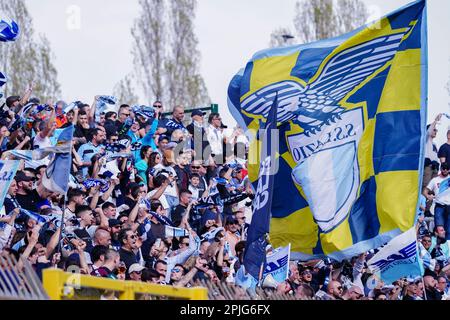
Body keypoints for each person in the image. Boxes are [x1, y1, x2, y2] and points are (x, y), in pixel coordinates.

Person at [424, 162, 450, 240]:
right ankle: (439, 246)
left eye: (447, 169)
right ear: (441, 168)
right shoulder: (435, 180)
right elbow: (425, 190)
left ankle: (447, 249)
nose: (445, 170)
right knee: (440, 230)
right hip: (439, 207)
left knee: (448, 230)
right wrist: (428, 196)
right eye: (443, 168)